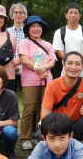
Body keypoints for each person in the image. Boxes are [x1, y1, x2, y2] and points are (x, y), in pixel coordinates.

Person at [41, 52, 83, 159]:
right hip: (58, 127)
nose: (73, 67)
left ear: (82, 67)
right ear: (64, 64)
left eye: (78, 64)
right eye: (70, 63)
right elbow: (45, 115)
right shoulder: (53, 85)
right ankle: (61, 149)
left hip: (76, 126)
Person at [19, 15, 56, 150]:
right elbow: (23, 59)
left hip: (47, 79)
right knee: (29, 108)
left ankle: (40, 133)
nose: (36, 29)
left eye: (38, 26)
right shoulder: (24, 43)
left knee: (44, 108)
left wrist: (44, 69)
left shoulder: (48, 44)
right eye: (32, 26)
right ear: (28, 29)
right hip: (30, 80)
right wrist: (37, 68)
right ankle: (25, 137)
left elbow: (52, 61)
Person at [52, 2, 83, 78]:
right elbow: (59, 51)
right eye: (70, 12)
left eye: (76, 13)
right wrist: (70, 64)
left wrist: (78, 63)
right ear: (66, 15)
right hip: (66, 72)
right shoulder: (59, 32)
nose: (73, 15)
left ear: (80, 16)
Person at [7, 2, 28, 90]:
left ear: (25, 15)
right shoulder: (6, 32)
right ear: (12, 15)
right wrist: (12, 64)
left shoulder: (29, 31)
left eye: (21, 12)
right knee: (9, 98)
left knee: (29, 100)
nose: (18, 15)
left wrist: (19, 62)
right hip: (10, 68)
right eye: (16, 12)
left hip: (27, 68)